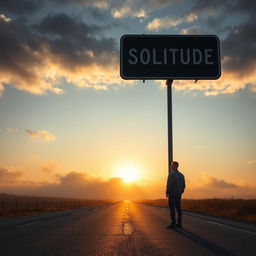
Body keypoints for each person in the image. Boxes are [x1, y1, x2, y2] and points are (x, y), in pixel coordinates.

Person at [166, 161, 185, 229]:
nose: (171, 166)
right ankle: (179, 224)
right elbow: (184, 185)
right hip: (179, 194)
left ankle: (173, 223)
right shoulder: (181, 175)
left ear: (174, 166)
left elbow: (169, 184)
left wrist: (167, 192)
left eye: (172, 165)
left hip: (172, 193)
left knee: (172, 208)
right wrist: (181, 192)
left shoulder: (171, 174)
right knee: (179, 208)